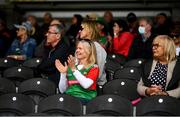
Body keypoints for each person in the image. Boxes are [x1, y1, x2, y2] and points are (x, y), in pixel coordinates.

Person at [55, 39, 99, 104]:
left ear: (89, 51)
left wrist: (74, 70)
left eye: (80, 48)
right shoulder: (72, 67)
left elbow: (86, 85)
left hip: (84, 99)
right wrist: (63, 73)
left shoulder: (94, 67)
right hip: (69, 97)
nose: (77, 50)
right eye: (77, 48)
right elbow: (62, 90)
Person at [79, 20, 107, 86]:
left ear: (90, 30)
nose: (79, 31)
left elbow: (98, 74)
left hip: (97, 87)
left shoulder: (98, 48)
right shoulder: (80, 46)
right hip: (81, 84)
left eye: (82, 29)